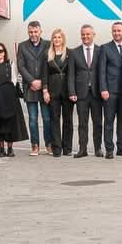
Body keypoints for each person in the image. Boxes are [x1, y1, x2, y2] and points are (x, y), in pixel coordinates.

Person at [0, 42, 28, 156]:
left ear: (4, 53)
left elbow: (14, 79)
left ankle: (10, 149)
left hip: (10, 97)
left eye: (0, 51)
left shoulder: (11, 64)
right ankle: (2, 149)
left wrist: (6, 90)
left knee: (10, 123)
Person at [68, 24, 103, 158]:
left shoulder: (101, 51)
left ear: (94, 35)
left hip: (96, 93)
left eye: (88, 34)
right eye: (83, 34)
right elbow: (71, 74)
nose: (85, 36)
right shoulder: (74, 52)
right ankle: (82, 149)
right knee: (82, 123)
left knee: (97, 123)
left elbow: (103, 72)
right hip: (81, 94)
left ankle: (98, 148)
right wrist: (72, 92)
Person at [99, 22, 122, 157]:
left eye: (119, 31)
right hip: (110, 91)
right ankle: (109, 149)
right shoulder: (105, 48)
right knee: (109, 121)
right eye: (114, 31)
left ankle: (121, 148)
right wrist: (103, 89)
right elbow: (102, 71)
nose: (116, 33)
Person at [17, 20, 51, 156]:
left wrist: (42, 82)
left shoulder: (48, 44)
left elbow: (50, 64)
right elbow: (21, 66)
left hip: (44, 87)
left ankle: (49, 144)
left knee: (47, 118)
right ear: (28, 32)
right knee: (32, 119)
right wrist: (32, 81)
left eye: (36, 31)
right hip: (30, 87)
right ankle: (35, 145)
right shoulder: (22, 46)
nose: (33, 34)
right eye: (31, 32)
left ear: (40, 31)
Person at [43, 28, 75, 158]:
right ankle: (57, 148)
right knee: (54, 120)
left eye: (59, 37)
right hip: (53, 91)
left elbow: (72, 73)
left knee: (68, 120)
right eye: (55, 37)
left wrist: (73, 91)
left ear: (63, 39)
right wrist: (45, 90)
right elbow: (44, 74)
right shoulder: (47, 54)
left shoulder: (70, 53)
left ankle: (67, 148)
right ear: (52, 39)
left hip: (67, 91)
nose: (57, 39)